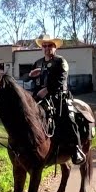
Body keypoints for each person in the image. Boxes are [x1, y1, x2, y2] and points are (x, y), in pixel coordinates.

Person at [26, 33, 86, 165]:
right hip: (39, 96)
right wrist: (30, 75)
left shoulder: (61, 61)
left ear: (55, 47)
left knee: (68, 117)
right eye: (44, 46)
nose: (47, 48)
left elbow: (61, 81)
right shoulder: (38, 62)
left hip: (59, 96)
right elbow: (29, 80)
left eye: (50, 45)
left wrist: (47, 90)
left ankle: (76, 148)